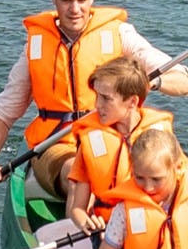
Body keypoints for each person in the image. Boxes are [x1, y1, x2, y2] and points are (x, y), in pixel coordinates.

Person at [0, 0, 188, 197]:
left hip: (113, 136)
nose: (75, 9)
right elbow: (4, 113)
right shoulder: (35, 47)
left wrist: (154, 82)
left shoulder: (120, 34)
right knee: (83, 178)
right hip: (57, 145)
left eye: (81, 0)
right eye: (66, 0)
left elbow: (185, 82)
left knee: (167, 172)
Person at [57, 58, 173, 234]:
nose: (97, 105)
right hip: (106, 230)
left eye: (106, 98)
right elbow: (77, 209)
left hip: (151, 228)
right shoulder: (91, 140)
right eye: (97, 96)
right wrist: (85, 222)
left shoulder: (160, 135)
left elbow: (179, 181)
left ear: (132, 102)